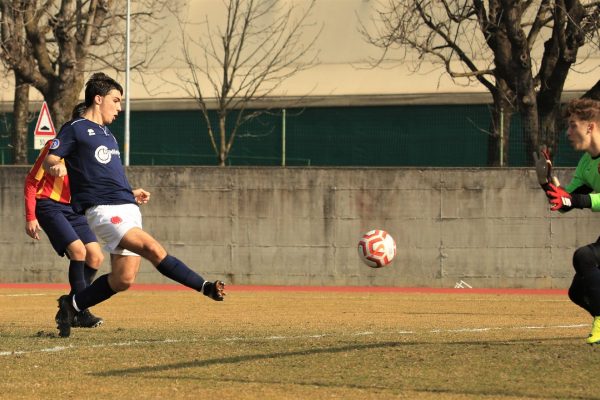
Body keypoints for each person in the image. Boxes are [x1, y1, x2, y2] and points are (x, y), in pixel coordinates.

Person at [44, 72, 226, 338]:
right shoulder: (75, 128)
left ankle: (71, 306)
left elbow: (103, 176)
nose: (119, 108)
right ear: (98, 98)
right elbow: (51, 157)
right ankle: (205, 286)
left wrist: (130, 193)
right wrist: (57, 166)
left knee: (123, 279)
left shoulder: (108, 135)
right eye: (116, 101)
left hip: (127, 207)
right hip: (104, 211)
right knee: (153, 248)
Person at [24, 103, 105, 329]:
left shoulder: (90, 152)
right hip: (49, 205)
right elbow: (32, 181)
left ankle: (70, 305)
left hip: (73, 209)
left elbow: (100, 184)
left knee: (96, 257)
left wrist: (130, 193)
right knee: (78, 251)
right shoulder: (54, 147)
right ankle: (82, 311)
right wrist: (31, 216)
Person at [541, 98, 600, 345]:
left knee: (584, 256)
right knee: (577, 293)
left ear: (591, 127)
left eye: (572, 125)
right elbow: (566, 202)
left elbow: (576, 200)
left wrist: (575, 200)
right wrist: (547, 184)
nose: (568, 132)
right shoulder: (587, 162)